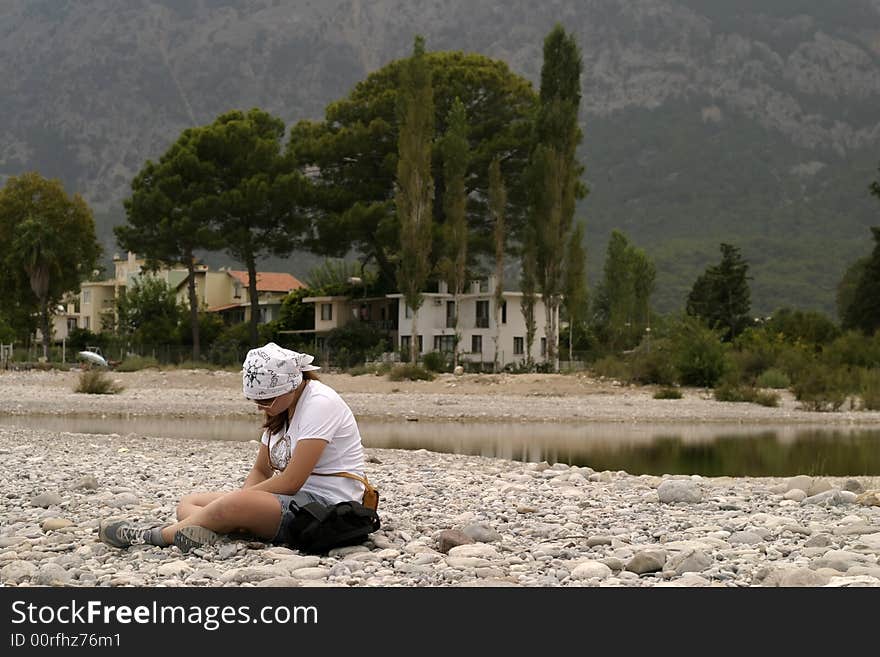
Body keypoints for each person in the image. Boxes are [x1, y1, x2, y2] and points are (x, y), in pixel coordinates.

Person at [99, 342, 367, 553]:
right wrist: (240, 501)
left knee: (232, 503)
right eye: (255, 401)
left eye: (267, 400)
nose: (262, 407)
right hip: (292, 502)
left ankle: (153, 536)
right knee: (191, 501)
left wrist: (238, 500)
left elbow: (291, 482)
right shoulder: (282, 409)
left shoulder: (320, 403)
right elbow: (262, 470)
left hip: (325, 508)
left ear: (292, 386)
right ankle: (215, 528)